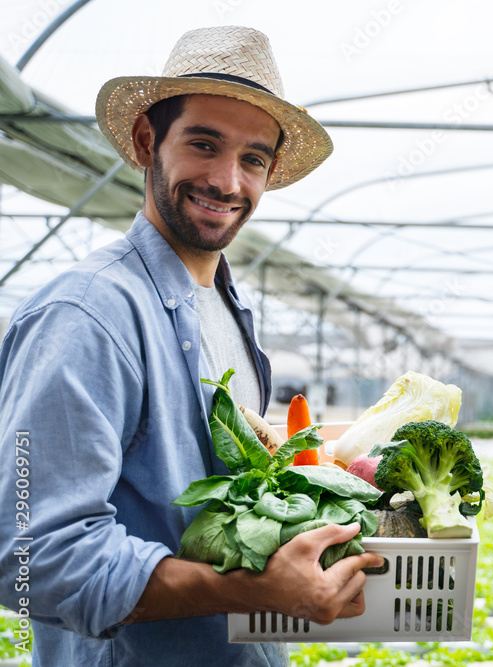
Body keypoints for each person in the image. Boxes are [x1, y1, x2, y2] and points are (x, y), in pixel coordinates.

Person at [0, 26, 381, 666]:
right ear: (149, 140)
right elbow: (30, 555)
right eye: (204, 144)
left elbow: (221, 499)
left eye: (254, 159)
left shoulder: (229, 309)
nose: (228, 181)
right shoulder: (88, 315)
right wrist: (249, 590)